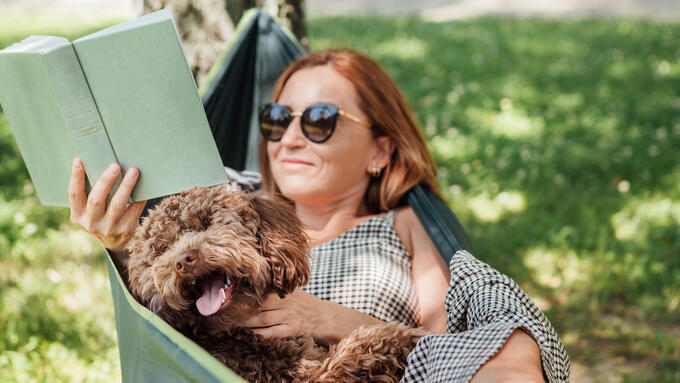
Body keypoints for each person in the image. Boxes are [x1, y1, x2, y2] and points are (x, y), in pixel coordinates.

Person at [69, 49, 569, 382]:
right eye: (276, 119)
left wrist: (328, 318)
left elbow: (448, 351)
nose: (288, 137)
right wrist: (118, 241)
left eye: (320, 121)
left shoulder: (404, 225)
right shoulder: (232, 206)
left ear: (382, 150)